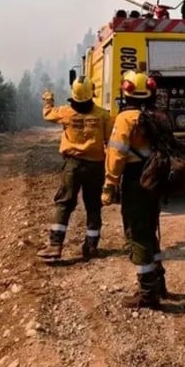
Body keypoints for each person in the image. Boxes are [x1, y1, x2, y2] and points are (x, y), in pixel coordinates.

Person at [102, 70, 169, 308]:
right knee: (150, 230)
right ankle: (159, 282)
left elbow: (116, 154)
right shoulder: (158, 116)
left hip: (135, 181)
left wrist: (110, 184)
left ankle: (147, 293)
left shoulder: (125, 119)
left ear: (127, 90)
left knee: (137, 233)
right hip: (155, 180)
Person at [37, 76, 112, 261]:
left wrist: (48, 99)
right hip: (96, 166)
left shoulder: (66, 112)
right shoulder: (103, 115)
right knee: (94, 205)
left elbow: (47, 114)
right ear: (91, 92)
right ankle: (92, 246)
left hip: (73, 165)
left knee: (64, 203)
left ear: (74, 94)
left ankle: (55, 246)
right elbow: (110, 141)